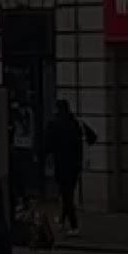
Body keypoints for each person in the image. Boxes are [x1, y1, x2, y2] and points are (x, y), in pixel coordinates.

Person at [40, 100, 96, 236]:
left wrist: (43, 158)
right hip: (76, 164)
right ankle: (61, 222)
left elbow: (46, 145)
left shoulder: (54, 124)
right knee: (68, 192)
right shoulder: (76, 122)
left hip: (62, 163)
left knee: (66, 195)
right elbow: (93, 137)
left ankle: (74, 224)